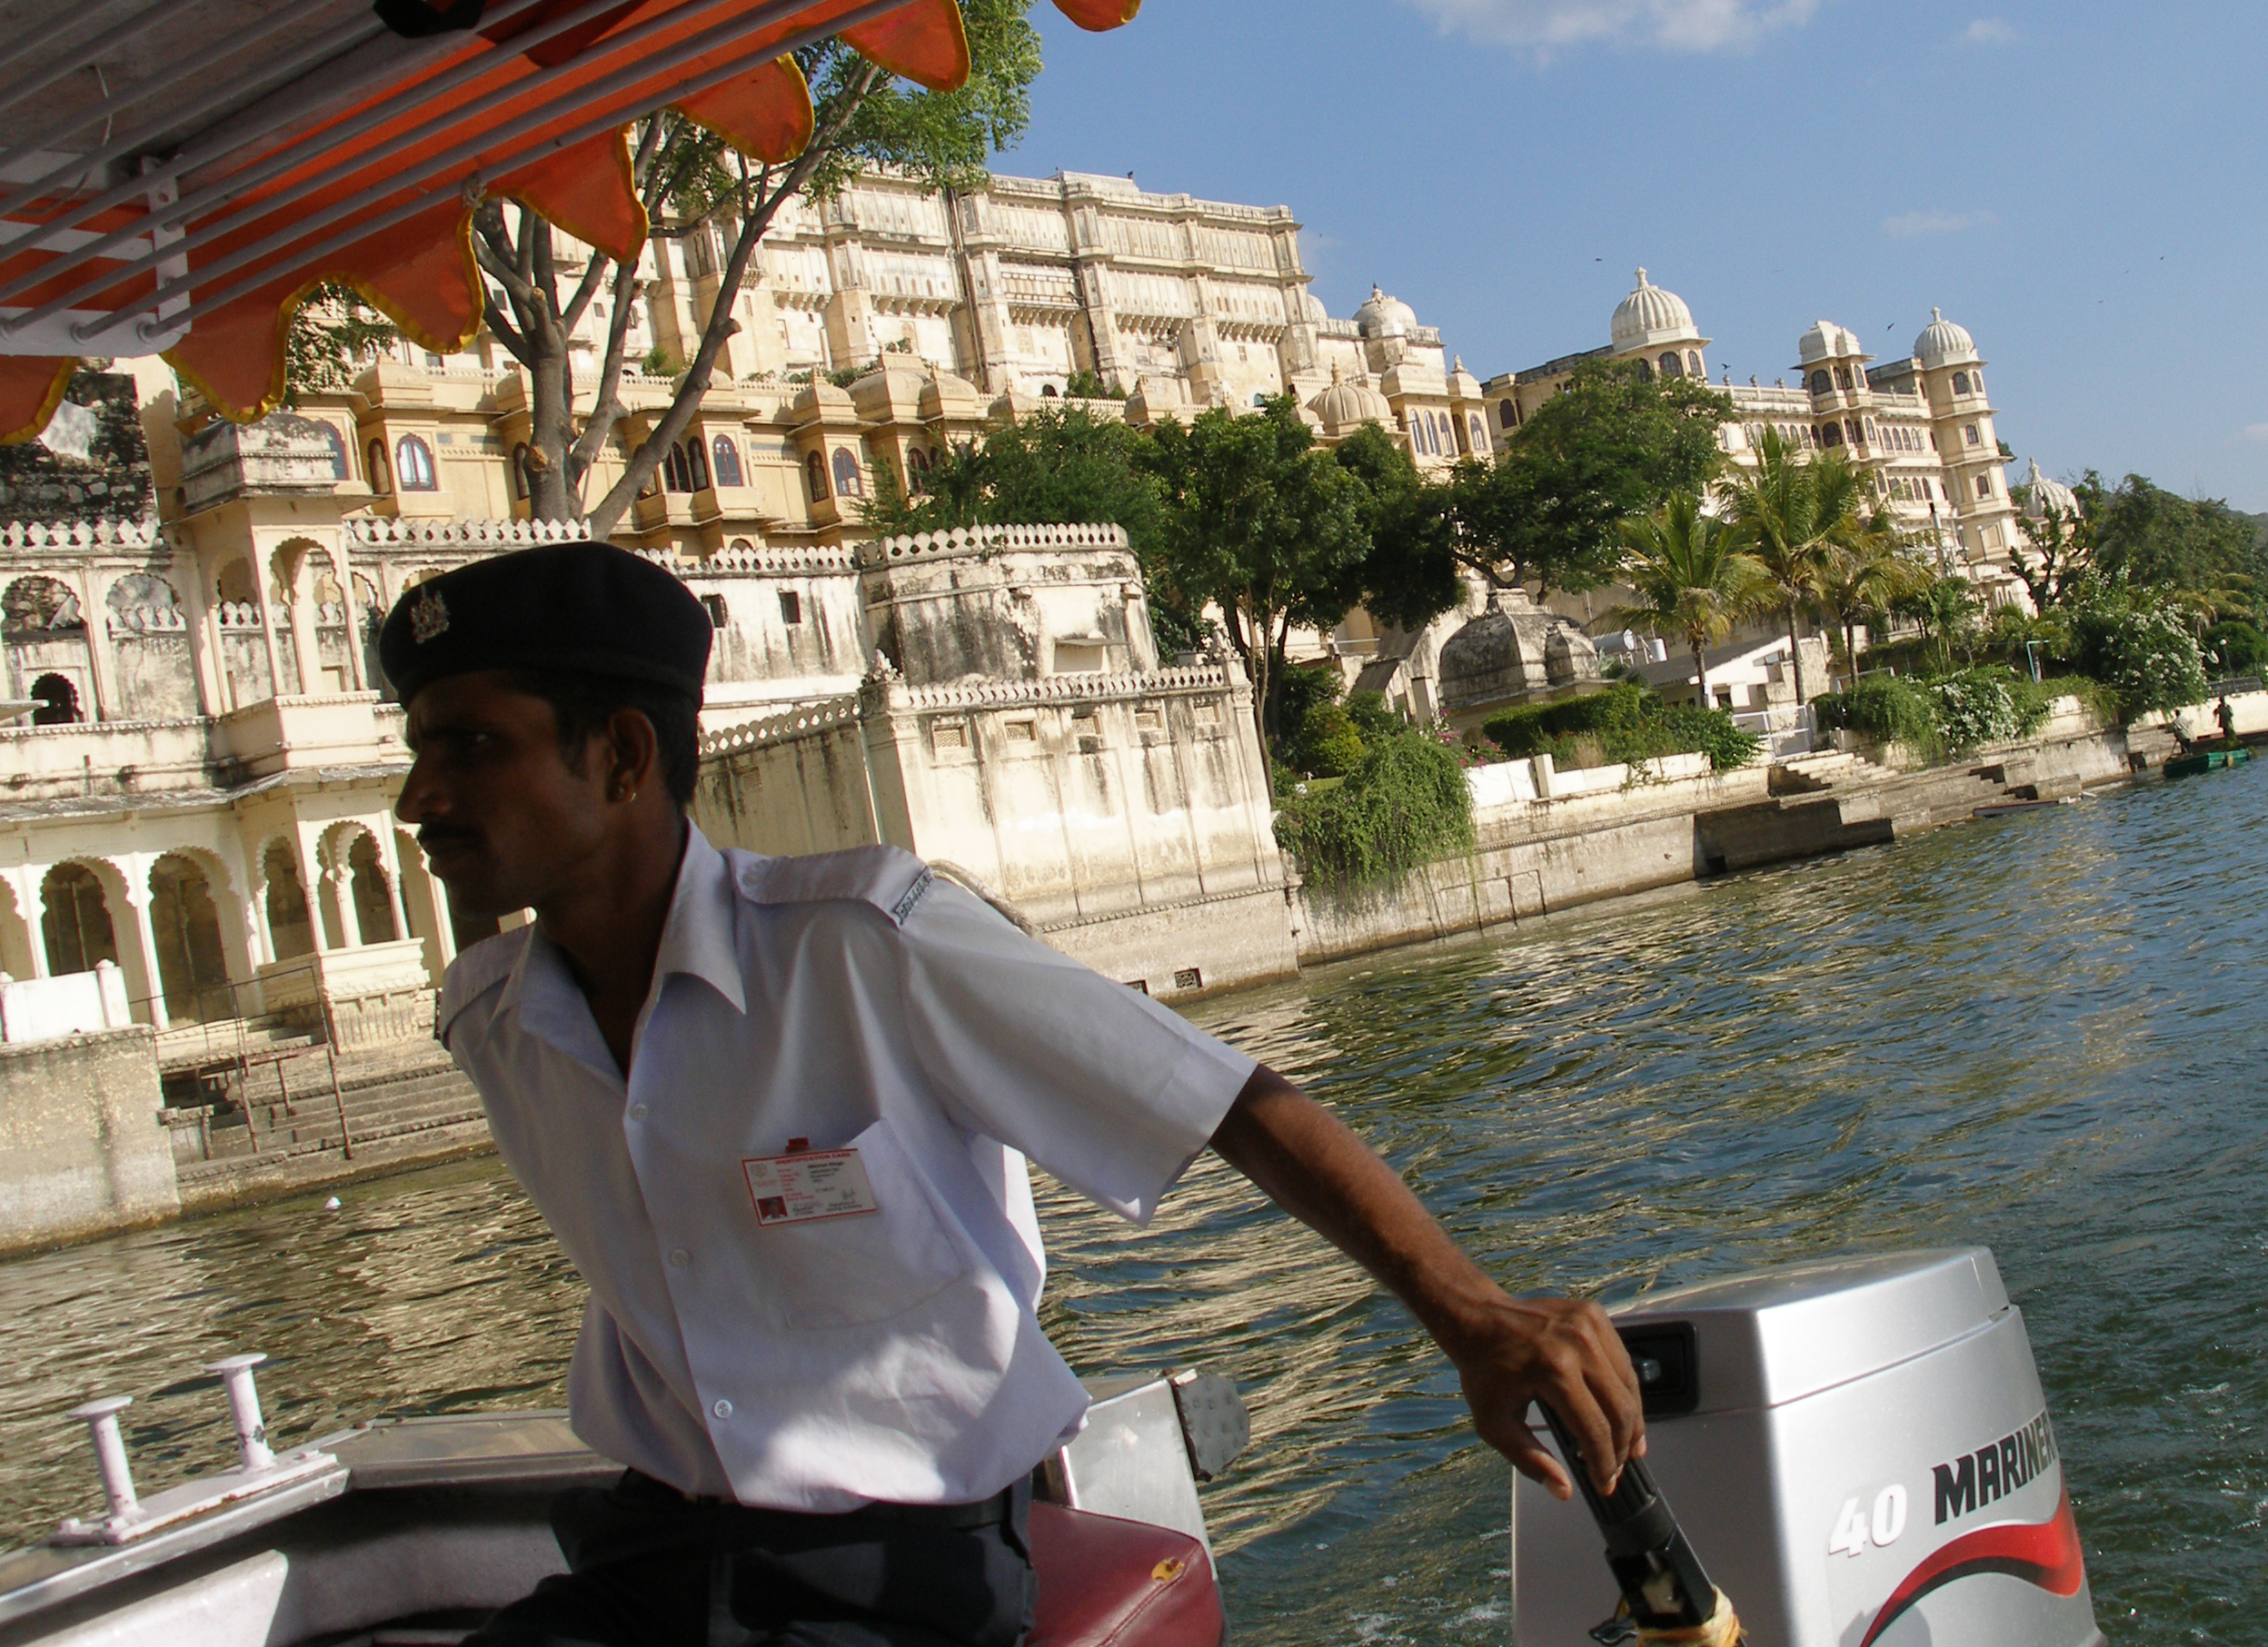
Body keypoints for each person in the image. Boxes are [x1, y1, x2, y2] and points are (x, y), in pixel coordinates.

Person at [383, 542, 1644, 1647]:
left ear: (621, 755)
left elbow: (1221, 1100)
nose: (417, 798)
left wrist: (1475, 1316)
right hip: (645, 1559)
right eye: (419, 752)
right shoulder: (494, 1024)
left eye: (470, 747)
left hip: (896, 1576)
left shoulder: (864, 947)